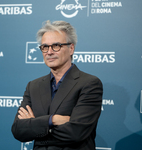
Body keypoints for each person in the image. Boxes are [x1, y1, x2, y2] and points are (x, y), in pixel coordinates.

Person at [11, 20, 103, 150]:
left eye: (56, 46)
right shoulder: (33, 86)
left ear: (71, 48)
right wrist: (52, 120)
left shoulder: (89, 83)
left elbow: (75, 132)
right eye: (45, 47)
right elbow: (18, 130)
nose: (49, 52)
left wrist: (35, 126)